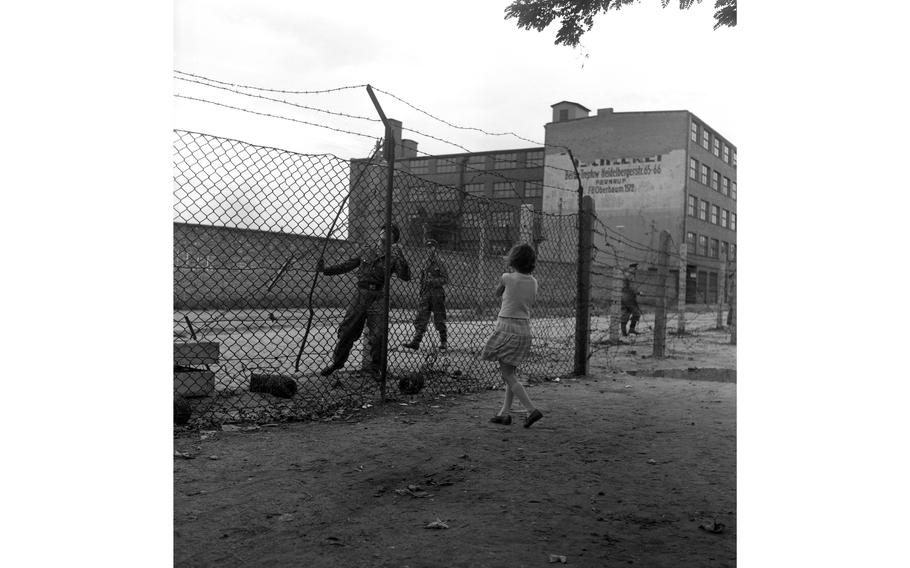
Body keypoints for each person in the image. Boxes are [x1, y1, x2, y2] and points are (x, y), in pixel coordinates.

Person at [315, 224, 411, 378]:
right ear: (379, 233)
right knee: (347, 330)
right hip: (360, 294)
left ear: (394, 238)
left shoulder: (394, 255)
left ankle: (375, 368)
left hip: (378, 296)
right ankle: (337, 363)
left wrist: (400, 254)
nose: (386, 231)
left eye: (391, 232)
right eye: (384, 229)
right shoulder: (366, 249)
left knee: (379, 334)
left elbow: (405, 276)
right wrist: (326, 270)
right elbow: (348, 265)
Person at [480, 243, 544, 429]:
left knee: (507, 374)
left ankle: (531, 409)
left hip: (507, 329)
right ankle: (505, 414)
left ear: (513, 260)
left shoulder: (507, 277)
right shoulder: (533, 281)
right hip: (524, 330)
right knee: (511, 374)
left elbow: (497, 293)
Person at [402, 238, 449, 351]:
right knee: (421, 318)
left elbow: (445, 279)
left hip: (437, 293)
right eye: (427, 247)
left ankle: (443, 342)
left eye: (431, 247)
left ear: (435, 248)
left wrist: (432, 281)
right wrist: (421, 291)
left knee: (439, 318)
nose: (429, 250)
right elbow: (422, 279)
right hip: (426, 293)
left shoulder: (440, 262)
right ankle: (416, 342)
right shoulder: (425, 262)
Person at [620, 263, 643, 336]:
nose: (636, 270)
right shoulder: (630, 276)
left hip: (623, 296)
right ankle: (631, 329)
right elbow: (632, 287)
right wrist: (638, 292)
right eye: (635, 268)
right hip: (629, 297)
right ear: (632, 268)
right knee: (637, 313)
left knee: (626, 313)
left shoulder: (625, 274)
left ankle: (624, 332)